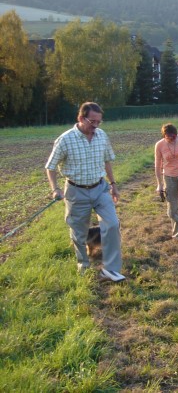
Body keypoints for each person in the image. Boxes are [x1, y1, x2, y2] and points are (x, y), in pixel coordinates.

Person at [46, 102, 125, 282]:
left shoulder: (102, 136)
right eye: (92, 121)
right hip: (76, 191)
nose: (96, 125)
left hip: (100, 188)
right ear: (81, 118)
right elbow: (50, 167)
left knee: (112, 224)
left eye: (99, 121)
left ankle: (111, 269)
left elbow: (107, 161)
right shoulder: (65, 139)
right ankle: (83, 265)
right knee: (79, 233)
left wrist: (113, 184)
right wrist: (55, 189)